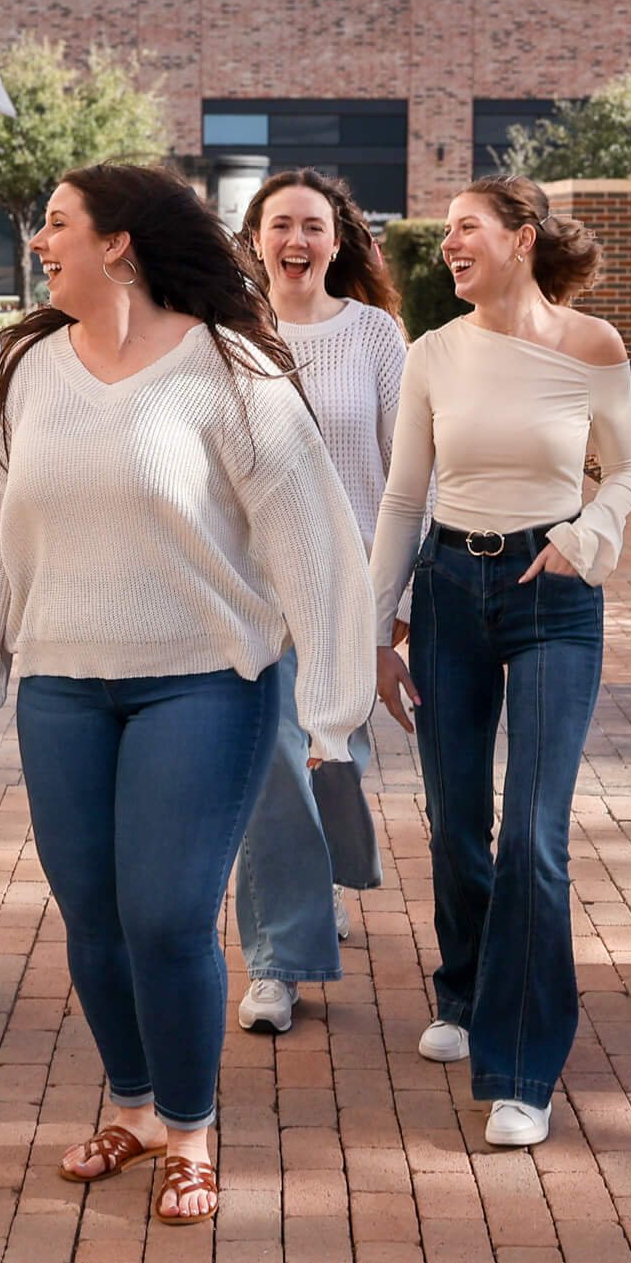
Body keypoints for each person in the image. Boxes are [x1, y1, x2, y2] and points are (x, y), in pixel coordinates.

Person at [0, 163, 373, 1224]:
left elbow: (313, 541)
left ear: (118, 241)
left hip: (204, 681)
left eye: (56, 224)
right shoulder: (30, 366)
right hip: (61, 684)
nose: (39, 242)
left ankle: (189, 1127)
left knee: (168, 916)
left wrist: (332, 715)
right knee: (91, 913)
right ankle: (130, 1107)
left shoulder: (229, 368)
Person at [373, 176, 631, 1149]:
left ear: (520, 239)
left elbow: (626, 470)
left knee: (533, 831)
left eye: (464, 227)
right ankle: (466, 982)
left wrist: (590, 530)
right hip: (448, 588)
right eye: (443, 231)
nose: (447, 243)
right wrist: (376, 629)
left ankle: (521, 1065)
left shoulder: (590, 344)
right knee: (454, 820)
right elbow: (404, 497)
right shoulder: (432, 353)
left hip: (551, 594)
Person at [231, 167, 404, 1035]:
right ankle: (276, 961)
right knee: (271, 757)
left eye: (312, 226)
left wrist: (396, 589)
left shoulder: (374, 335)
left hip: (351, 580)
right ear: (254, 239)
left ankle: (326, 873)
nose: (295, 241)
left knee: (334, 757)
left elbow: (407, 468)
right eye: (279, 226)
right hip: (253, 584)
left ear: (338, 241)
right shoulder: (221, 333)